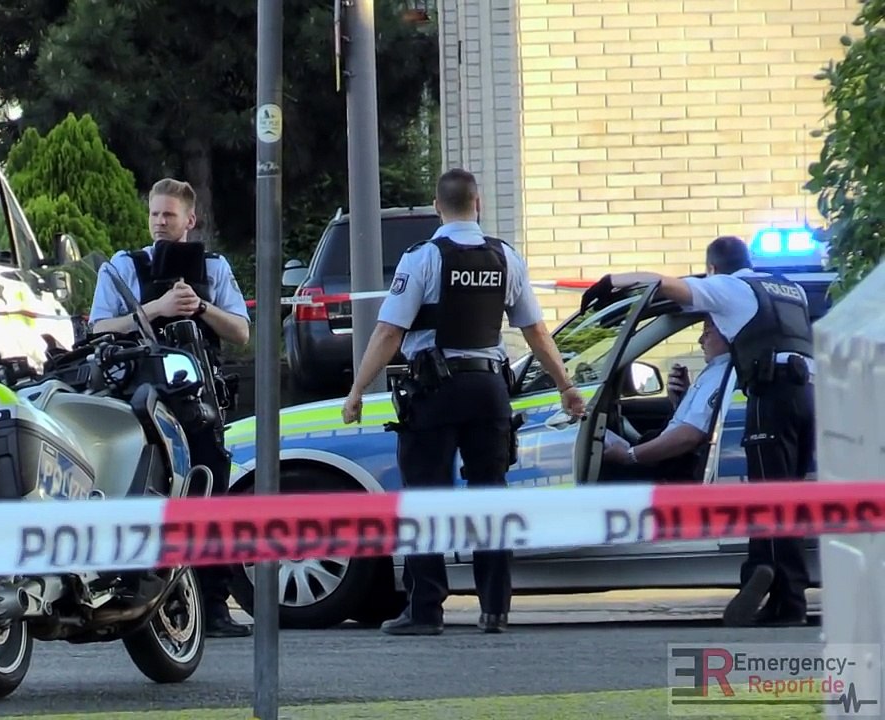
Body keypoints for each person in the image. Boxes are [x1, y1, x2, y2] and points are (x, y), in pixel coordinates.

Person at [340, 168, 586, 636]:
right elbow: (535, 331)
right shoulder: (506, 258)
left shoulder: (423, 258)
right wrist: (565, 386)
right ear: (479, 204)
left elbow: (390, 331)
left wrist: (357, 390)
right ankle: (495, 608)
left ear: (437, 206)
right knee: (490, 493)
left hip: (436, 391)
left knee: (426, 499)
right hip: (491, 389)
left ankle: (426, 610)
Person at [579, 235, 815, 627]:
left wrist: (612, 281)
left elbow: (665, 283)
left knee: (769, 498)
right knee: (787, 498)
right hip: (807, 396)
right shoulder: (788, 288)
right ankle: (779, 587)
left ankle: (776, 588)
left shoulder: (728, 287)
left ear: (713, 268)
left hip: (770, 396)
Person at [88, 177, 253, 639]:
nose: (160, 223)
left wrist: (200, 307)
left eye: (169, 215)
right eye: (155, 215)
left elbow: (241, 331)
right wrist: (157, 309)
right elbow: (99, 329)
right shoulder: (122, 267)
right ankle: (139, 601)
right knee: (146, 496)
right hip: (137, 403)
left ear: (190, 220)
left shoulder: (214, 267)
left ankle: (213, 609)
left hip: (197, 401)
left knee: (210, 497)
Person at [600, 318, 732, 484]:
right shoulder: (716, 369)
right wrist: (681, 400)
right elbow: (699, 421)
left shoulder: (724, 374)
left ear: (728, 334)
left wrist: (629, 456)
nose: (700, 340)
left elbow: (689, 436)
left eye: (707, 333)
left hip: (676, 469)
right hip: (671, 462)